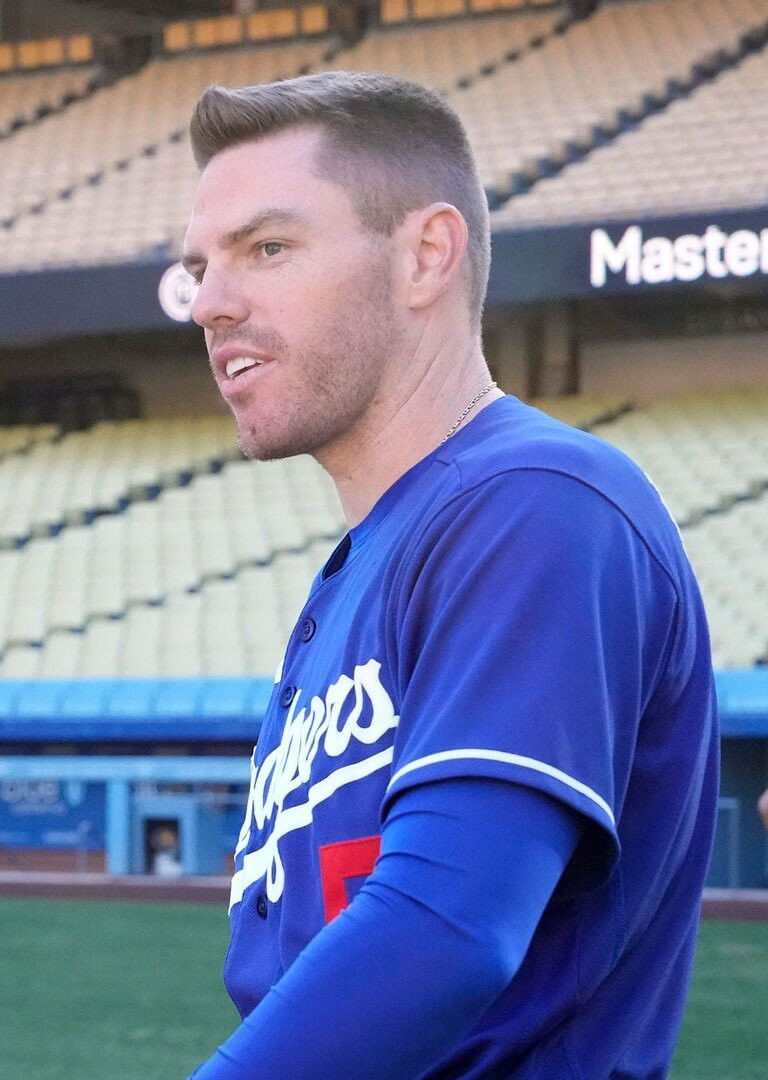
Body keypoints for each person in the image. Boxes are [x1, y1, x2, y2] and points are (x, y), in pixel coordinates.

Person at [178, 72, 719, 1078]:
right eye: (198, 267)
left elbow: (445, 927)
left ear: (426, 254)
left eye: (267, 248)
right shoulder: (372, 563)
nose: (209, 301)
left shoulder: (538, 500)